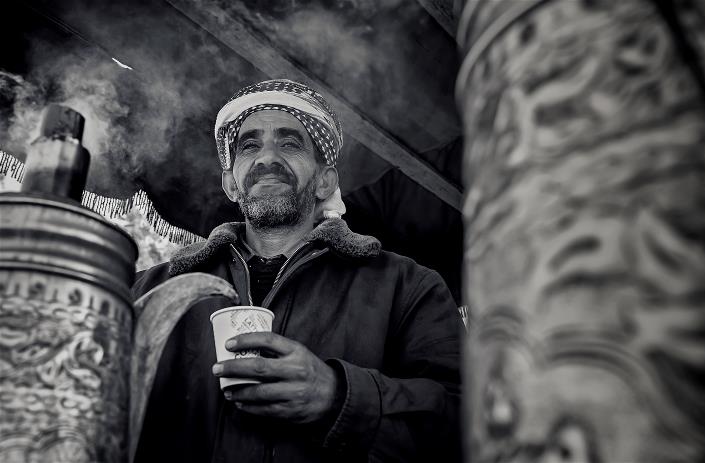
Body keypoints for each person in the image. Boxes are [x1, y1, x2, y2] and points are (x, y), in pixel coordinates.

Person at [132, 79, 463, 463]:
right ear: (230, 184)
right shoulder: (153, 290)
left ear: (325, 181)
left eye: (290, 143)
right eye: (249, 146)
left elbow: (468, 423)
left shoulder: (406, 287)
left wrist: (338, 398)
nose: (267, 158)